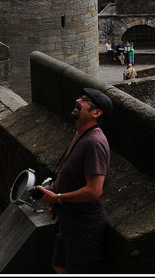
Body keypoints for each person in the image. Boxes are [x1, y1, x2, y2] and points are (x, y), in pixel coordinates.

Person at [37, 88, 112, 274]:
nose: (78, 100)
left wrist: (58, 198)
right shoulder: (80, 134)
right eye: (81, 97)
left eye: (85, 101)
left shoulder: (94, 143)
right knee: (59, 266)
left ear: (96, 113)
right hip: (68, 221)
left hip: (84, 228)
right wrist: (54, 192)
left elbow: (94, 191)